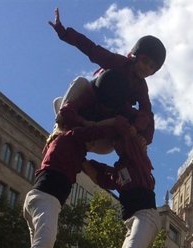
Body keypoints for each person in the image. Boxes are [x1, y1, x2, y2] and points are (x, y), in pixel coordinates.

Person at [21, 116, 149, 248]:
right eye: (94, 142)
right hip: (46, 200)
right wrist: (94, 123)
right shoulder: (73, 137)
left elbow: (99, 177)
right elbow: (109, 128)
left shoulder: (71, 148)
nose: (95, 146)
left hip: (38, 199)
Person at [49, 8, 165, 147]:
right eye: (145, 61)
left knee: (131, 121)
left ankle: (85, 145)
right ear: (135, 56)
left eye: (152, 67)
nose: (146, 68)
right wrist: (64, 33)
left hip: (103, 118)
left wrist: (140, 134)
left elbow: (146, 113)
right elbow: (92, 49)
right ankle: (61, 124)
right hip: (89, 101)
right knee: (81, 81)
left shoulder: (141, 87)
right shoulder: (118, 62)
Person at [83, 149, 159, 248]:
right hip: (132, 222)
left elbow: (127, 138)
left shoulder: (137, 159)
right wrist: (82, 160)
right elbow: (101, 179)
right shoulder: (118, 173)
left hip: (146, 215)